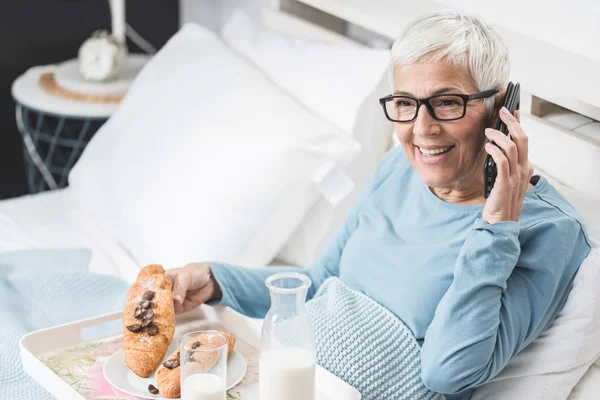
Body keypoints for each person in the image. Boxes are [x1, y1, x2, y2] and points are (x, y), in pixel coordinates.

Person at [166, 10, 591, 399]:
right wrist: (216, 279)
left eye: (447, 102)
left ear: (499, 109)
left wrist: (497, 225)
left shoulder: (547, 229)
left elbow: (448, 371)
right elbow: (317, 281)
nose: (422, 130)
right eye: (405, 104)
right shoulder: (397, 170)